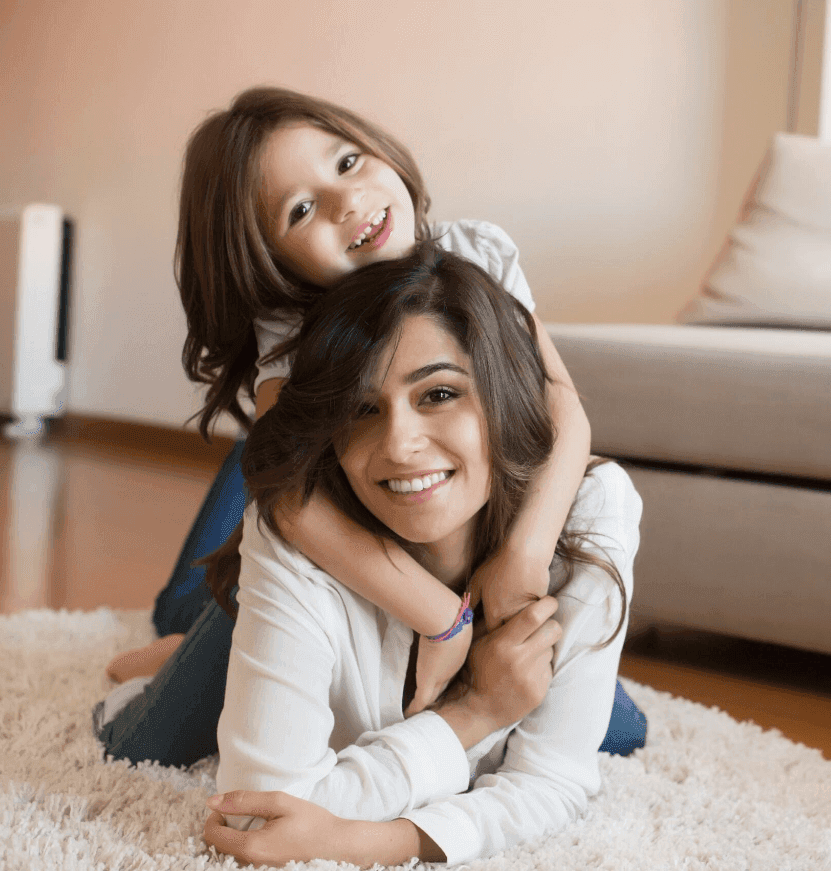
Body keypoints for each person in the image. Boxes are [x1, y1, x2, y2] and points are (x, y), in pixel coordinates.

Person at [95, 87, 645, 765]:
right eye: (300, 210)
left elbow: (561, 404)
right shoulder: (289, 333)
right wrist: (443, 617)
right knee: (142, 741)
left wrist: (522, 558)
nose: (345, 202)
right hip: (334, 561)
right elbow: (286, 498)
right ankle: (185, 627)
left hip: (459, 541)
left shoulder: (475, 256)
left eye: (348, 162)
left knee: (618, 731)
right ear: (271, 263)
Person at [204, 242, 639, 866]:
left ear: (502, 394)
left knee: (623, 730)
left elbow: (550, 782)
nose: (401, 444)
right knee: (143, 728)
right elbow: (254, 816)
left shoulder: (591, 509)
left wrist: (363, 840)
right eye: (361, 408)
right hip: (260, 596)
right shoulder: (296, 527)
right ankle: (188, 643)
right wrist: (475, 712)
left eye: (438, 394)